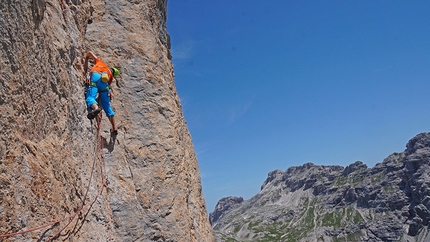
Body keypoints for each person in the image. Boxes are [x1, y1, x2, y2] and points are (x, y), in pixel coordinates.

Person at [84, 51, 119, 135]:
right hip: (104, 83)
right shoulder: (109, 76)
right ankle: (114, 128)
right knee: (107, 106)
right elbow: (107, 88)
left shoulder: (101, 63)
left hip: (95, 76)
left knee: (90, 97)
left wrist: (86, 59)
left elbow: (90, 53)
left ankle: (96, 108)